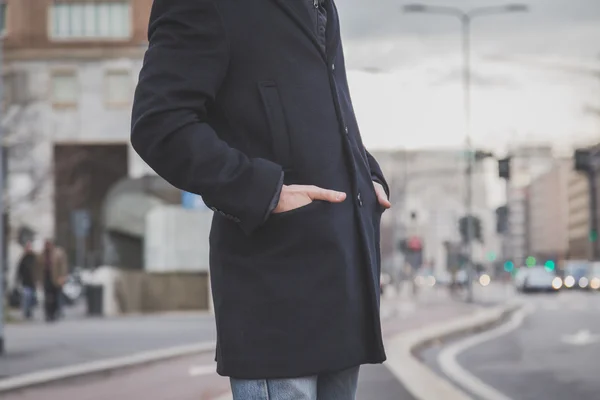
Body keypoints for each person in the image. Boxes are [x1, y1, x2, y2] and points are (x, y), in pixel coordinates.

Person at [131, 1, 391, 399]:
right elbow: (160, 123)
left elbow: (324, 110)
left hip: (341, 281)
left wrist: (367, 173)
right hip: (276, 287)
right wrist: (262, 192)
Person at [37, 239, 68, 322]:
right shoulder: (42, 254)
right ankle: (48, 314)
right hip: (46, 278)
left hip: (56, 278)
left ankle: (55, 313)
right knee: (47, 297)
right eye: (46, 244)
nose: (47, 246)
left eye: (49, 244)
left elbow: (63, 266)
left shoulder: (58, 253)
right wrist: (39, 280)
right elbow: (38, 268)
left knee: (55, 297)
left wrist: (62, 277)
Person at [16, 241, 37, 319]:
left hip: (33, 281)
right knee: (26, 297)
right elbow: (19, 269)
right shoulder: (23, 258)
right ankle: (26, 312)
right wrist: (18, 279)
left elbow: (38, 269)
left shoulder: (34, 258)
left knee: (31, 298)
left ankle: (30, 311)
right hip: (25, 281)